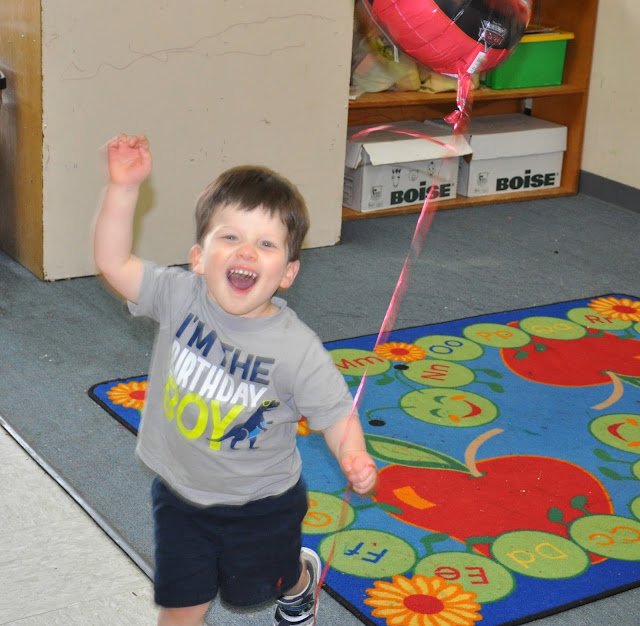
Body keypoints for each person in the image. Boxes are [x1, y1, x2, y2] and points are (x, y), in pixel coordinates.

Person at [94, 134, 378, 626]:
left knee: (260, 586)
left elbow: (336, 413)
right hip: (180, 494)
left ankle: (299, 583)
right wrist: (123, 188)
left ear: (287, 273)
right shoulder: (178, 296)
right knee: (181, 603)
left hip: (261, 506)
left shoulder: (296, 348)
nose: (246, 252)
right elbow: (112, 262)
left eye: (265, 244)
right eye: (230, 237)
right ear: (198, 257)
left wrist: (352, 453)